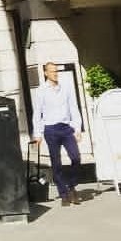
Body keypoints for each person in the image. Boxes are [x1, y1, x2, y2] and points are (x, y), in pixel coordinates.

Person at [32, 62, 83, 207]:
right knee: (56, 162)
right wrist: (38, 134)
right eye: (52, 71)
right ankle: (63, 194)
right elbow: (37, 113)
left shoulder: (65, 88)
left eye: (56, 71)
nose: (55, 74)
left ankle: (72, 186)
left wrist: (77, 129)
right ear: (46, 73)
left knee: (75, 157)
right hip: (51, 130)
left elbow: (74, 107)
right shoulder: (41, 90)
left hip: (66, 128)